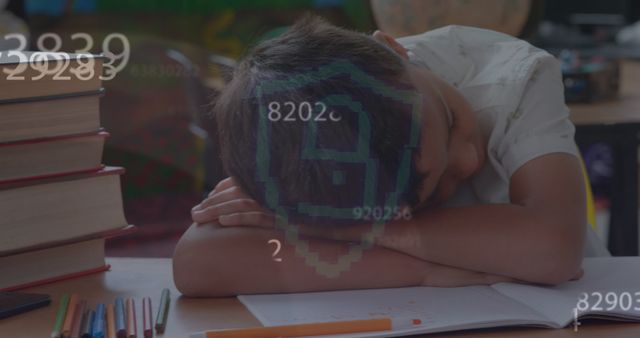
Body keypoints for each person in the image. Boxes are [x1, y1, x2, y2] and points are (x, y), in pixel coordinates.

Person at [173, 16, 587, 297]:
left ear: (393, 49)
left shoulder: (512, 74)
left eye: (451, 120)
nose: (468, 161)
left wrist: (348, 233)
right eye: (436, 189)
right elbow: (198, 262)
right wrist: (421, 271)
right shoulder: (300, 152)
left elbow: (554, 248)